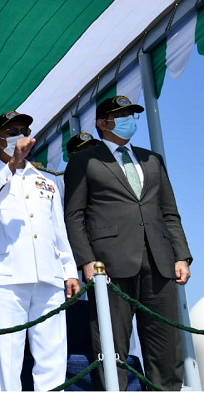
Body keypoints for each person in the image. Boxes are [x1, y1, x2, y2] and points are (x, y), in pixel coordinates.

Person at [64, 96, 192, 390]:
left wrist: (181, 256)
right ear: (102, 123)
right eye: (120, 115)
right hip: (108, 265)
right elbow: (74, 215)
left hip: (160, 263)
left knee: (166, 346)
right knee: (113, 345)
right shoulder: (84, 160)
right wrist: (86, 261)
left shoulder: (152, 159)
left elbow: (169, 212)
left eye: (131, 115)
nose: (129, 120)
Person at [0, 110, 80, 391]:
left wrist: (69, 271)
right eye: (12, 131)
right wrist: (12, 165)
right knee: (7, 358)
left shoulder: (47, 179)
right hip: (5, 278)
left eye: (24, 130)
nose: (21, 135)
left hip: (48, 276)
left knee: (52, 355)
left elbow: (58, 230)